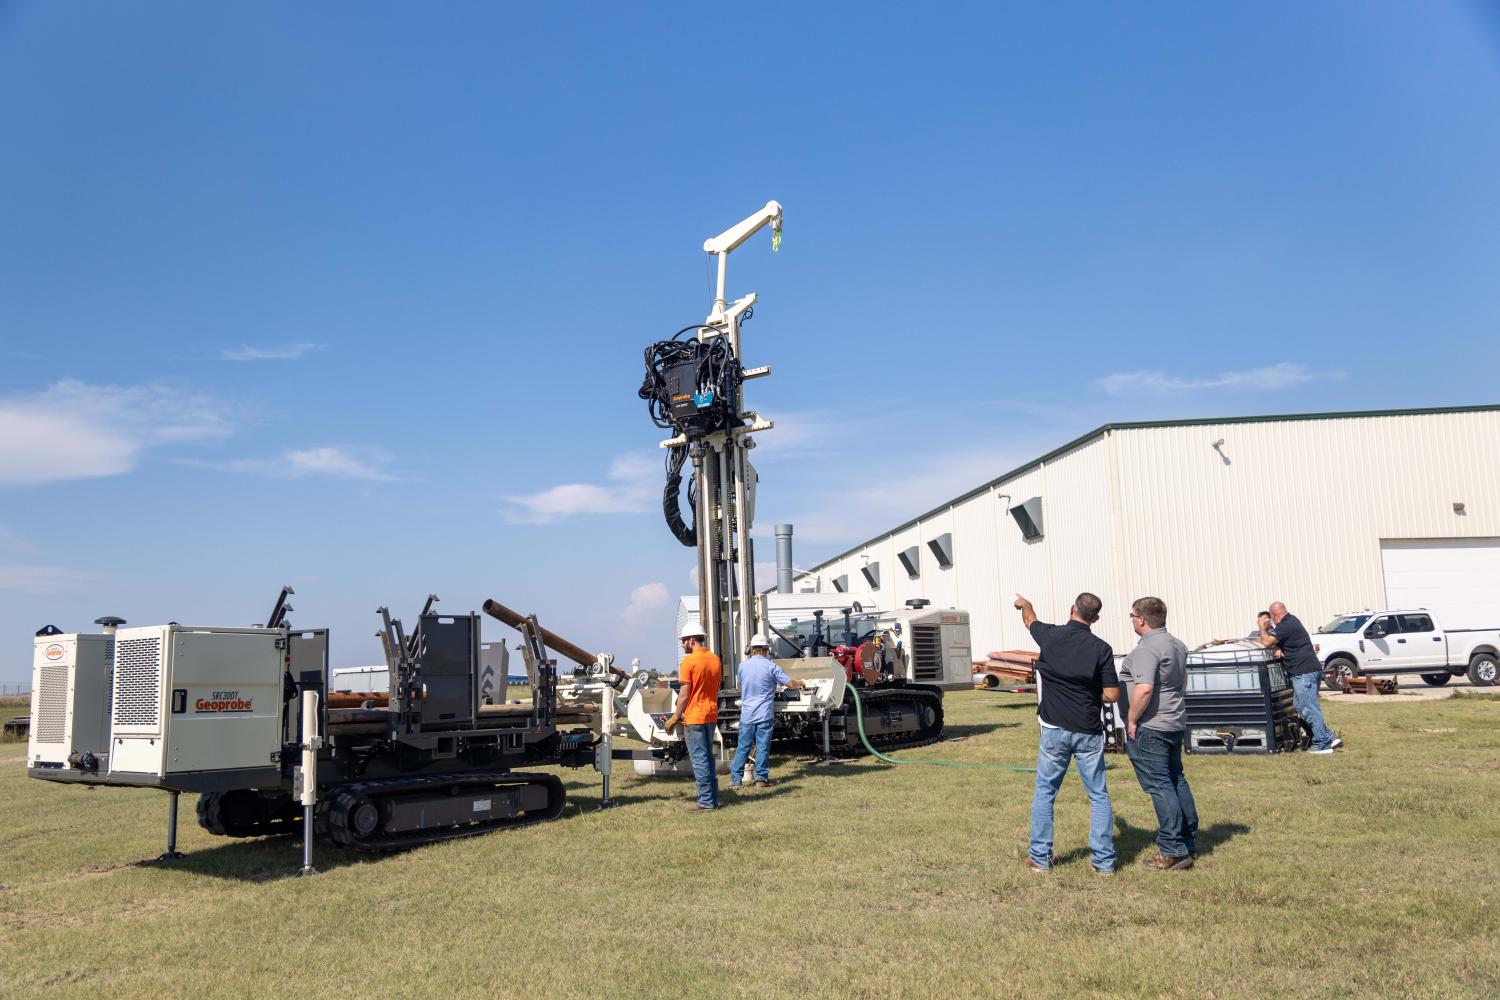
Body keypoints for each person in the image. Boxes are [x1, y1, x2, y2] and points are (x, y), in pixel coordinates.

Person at [1014, 592, 1119, 875]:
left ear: (1072, 608)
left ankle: (1040, 858)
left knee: (1045, 793)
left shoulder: (1050, 636)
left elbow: (1030, 621)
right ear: (1095, 618)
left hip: (1054, 729)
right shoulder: (1102, 648)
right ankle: (1104, 862)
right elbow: (1111, 693)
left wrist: (1026, 603)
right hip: (1087, 730)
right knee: (1098, 795)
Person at [1119, 596, 1198, 871]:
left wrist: (1131, 719)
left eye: (1132, 616)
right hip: (1174, 721)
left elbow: (1144, 689)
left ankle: (1172, 850)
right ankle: (1187, 842)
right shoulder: (1177, 645)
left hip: (1152, 726)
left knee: (1160, 785)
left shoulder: (1146, 650)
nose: (1131, 620)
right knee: (1177, 780)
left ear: (1141, 619)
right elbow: (1183, 680)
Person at [1259, 602, 1343, 754]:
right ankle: (1329, 737)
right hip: (1306, 671)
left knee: (1309, 707)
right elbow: (1276, 641)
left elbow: (1266, 642)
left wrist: (1261, 626)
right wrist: (1277, 646)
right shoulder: (1291, 621)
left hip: (1304, 672)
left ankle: (1323, 744)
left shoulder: (1286, 625)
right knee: (1300, 706)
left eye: (1271, 619)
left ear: (1274, 615)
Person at [729, 634, 805, 790]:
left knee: (743, 747)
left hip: (747, 715)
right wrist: (801, 682)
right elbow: (790, 683)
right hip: (764, 714)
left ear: (750, 649)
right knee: (762, 747)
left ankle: (735, 781)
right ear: (766, 650)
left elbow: (743, 685)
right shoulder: (771, 666)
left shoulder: (742, 667)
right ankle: (761, 780)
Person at [663, 621, 724, 810]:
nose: (682, 645)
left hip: (694, 717)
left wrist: (675, 716)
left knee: (699, 759)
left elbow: (684, 694)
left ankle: (705, 802)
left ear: (691, 640)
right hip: (711, 715)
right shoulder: (715, 659)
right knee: (708, 757)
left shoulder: (688, 662)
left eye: (683, 641)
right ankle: (713, 799)